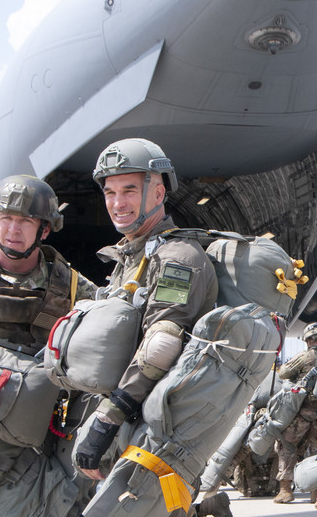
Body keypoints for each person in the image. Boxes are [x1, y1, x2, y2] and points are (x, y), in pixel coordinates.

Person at [74, 139, 221, 516]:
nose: (117, 203)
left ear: (157, 192)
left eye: (129, 191)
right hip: (131, 423)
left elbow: (161, 346)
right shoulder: (133, 256)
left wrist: (106, 421)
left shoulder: (178, 258)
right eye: (110, 193)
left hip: (154, 429)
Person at [0, 175, 97, 517]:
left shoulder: (74, 289)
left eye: (25, 221)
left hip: (28, 447)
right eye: (6, 218)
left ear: (44, 230)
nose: (13, 229)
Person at [272, 322, 317, 505]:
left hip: (302, 414)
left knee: (286, 446)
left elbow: (283, 373)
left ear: (308, 339)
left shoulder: (305, 356)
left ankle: (285, 490)